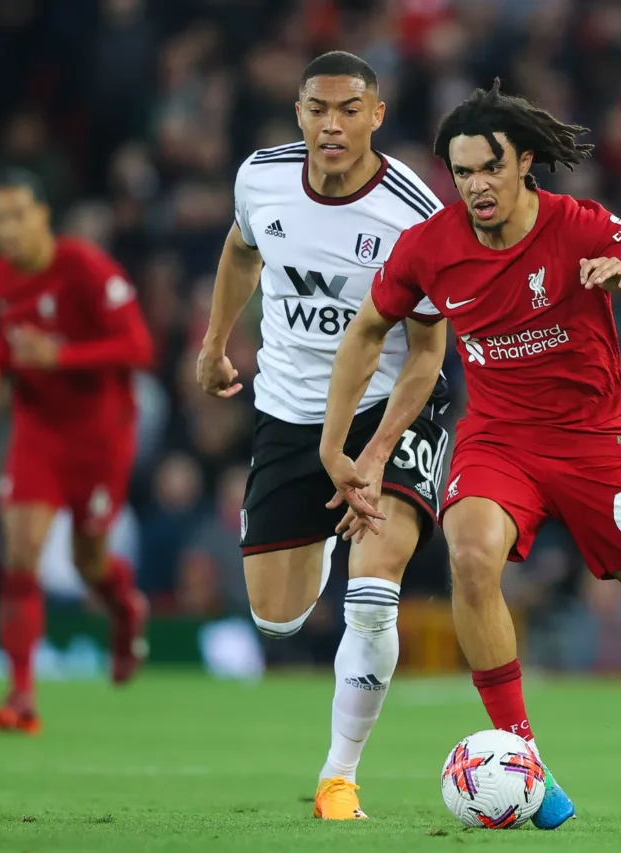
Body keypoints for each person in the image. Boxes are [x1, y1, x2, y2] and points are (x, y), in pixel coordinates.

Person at [320, 80, 621, 833]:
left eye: (489, 168)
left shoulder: (578, 227)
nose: (476, 186)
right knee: (473, 556)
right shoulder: (431, 248)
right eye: (462, 173)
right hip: (499, 441)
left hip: (596, 449)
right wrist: (343, 442)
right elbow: (367, 329)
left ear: (523, 164)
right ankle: (525, 761)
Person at [194, 51, 450, 820]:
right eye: (316, 109)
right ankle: (326, 533)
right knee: (277, 616)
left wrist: (370, 459)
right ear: (298, 112)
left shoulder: (413, 214)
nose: (330, 124)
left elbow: (430, 351)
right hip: (288, 412)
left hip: (389, 410)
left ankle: (339, 779)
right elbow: (242, 250)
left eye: (348, 110)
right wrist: (214, 343)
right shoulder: (260, 178)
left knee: (372, 600)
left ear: (376, 115)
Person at [0, 169, 154, 735]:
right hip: (37, 431)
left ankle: (126, 612)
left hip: (100, 434)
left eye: (18, 215)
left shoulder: (83, 266)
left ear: (43, 216)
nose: (8, 229)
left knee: (87, 562)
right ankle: (22, 694)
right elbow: (13, 334)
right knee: (20, 554)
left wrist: (63, 356)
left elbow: (139, 346)